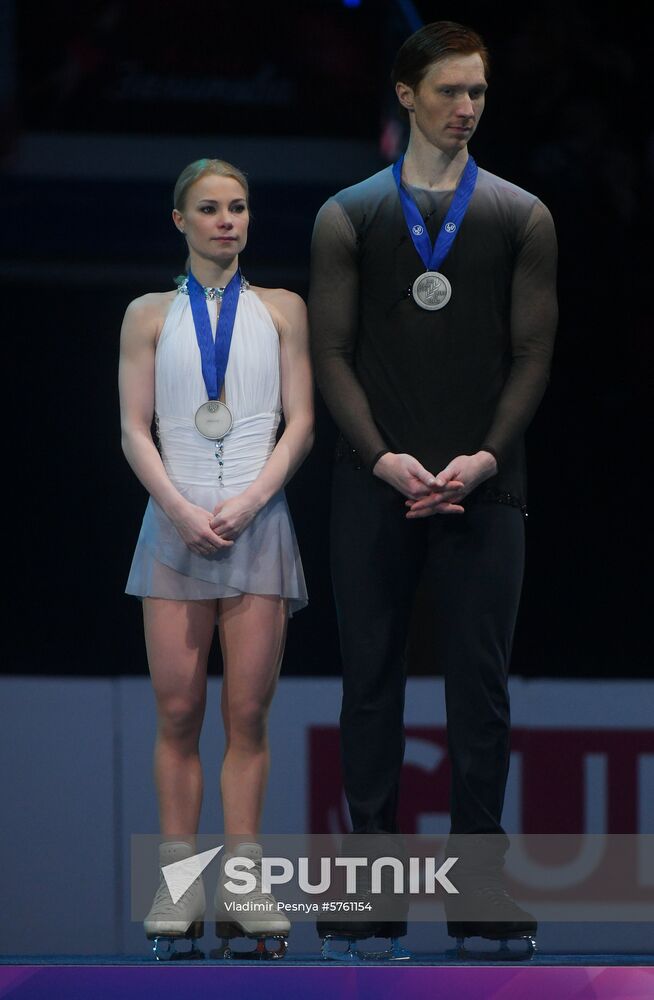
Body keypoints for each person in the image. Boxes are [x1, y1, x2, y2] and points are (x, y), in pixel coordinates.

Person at [309, 20, 557, 955]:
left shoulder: (521, 214)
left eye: (479, 94)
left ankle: (479, 892)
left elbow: (532, 353)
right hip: (372, 485)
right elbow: (330, 352)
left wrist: (486, 457)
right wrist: (379, 457)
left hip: (486, 489)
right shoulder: (349, 214)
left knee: (479, 692)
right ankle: (372, 894)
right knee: (370, 685)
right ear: (405, 93)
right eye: (450, 92)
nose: (466, 110)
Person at [119, 158, 313, 958]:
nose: (227, 220)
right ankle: (175, 892)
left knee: (248, 715)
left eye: (237, 207)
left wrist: (250, 500)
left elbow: (300, 422)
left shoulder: (283, 309)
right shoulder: (148, 315)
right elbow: (134, 428)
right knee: (176, 713)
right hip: (175, 523)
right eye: (209, 209)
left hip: (256, 524)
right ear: (180, 221)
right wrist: (180, 507)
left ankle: (243, 887)